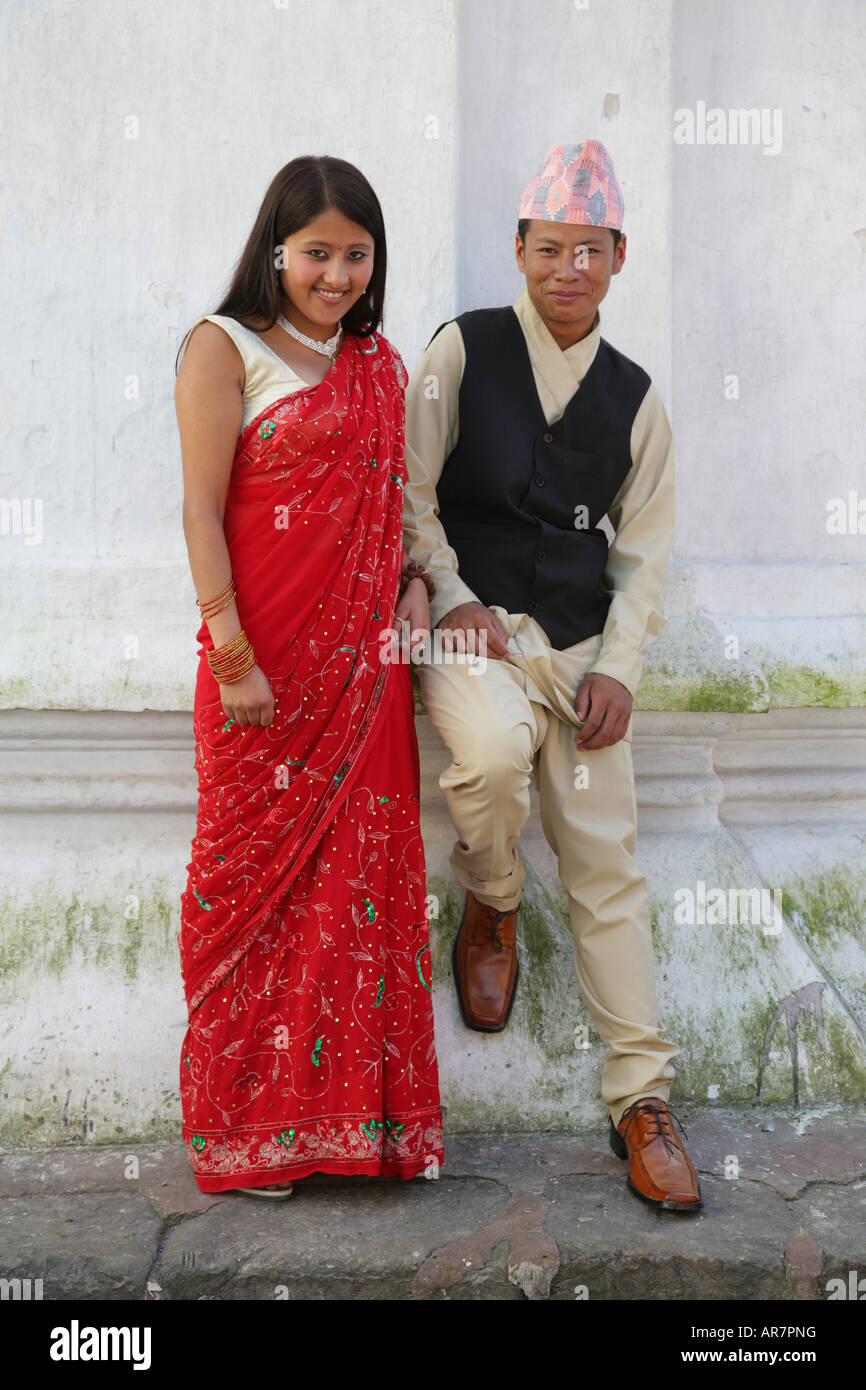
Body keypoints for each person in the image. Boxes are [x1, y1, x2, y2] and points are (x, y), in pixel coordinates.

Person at [402, 140, 701, 1211]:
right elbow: (410, 489)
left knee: (605, 862)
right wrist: (447, 593)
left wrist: (618, 665)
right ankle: (489, 898)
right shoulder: (460, 351)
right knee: (483, 763)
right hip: (474, 630)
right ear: (518, 251)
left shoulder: (636, 400)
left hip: (576, 650)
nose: (566, 267)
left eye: (588, 249)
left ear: (617, 257)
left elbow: (643, 553)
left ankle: (641, 1098)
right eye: (547, 248)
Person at [174, 155, 444, 1198]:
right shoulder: (223, 347)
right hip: (260, 675)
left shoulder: (379, 366)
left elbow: (397, 504)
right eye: (317, 252)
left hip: (362, 674)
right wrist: (232, 655)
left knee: (352, 898)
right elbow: (201, 510)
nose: (335, 274)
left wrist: (417, 582)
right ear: (275, 250)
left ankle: (348, 1131)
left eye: (355, 253)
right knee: (245, 900)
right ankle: (245, 1134)